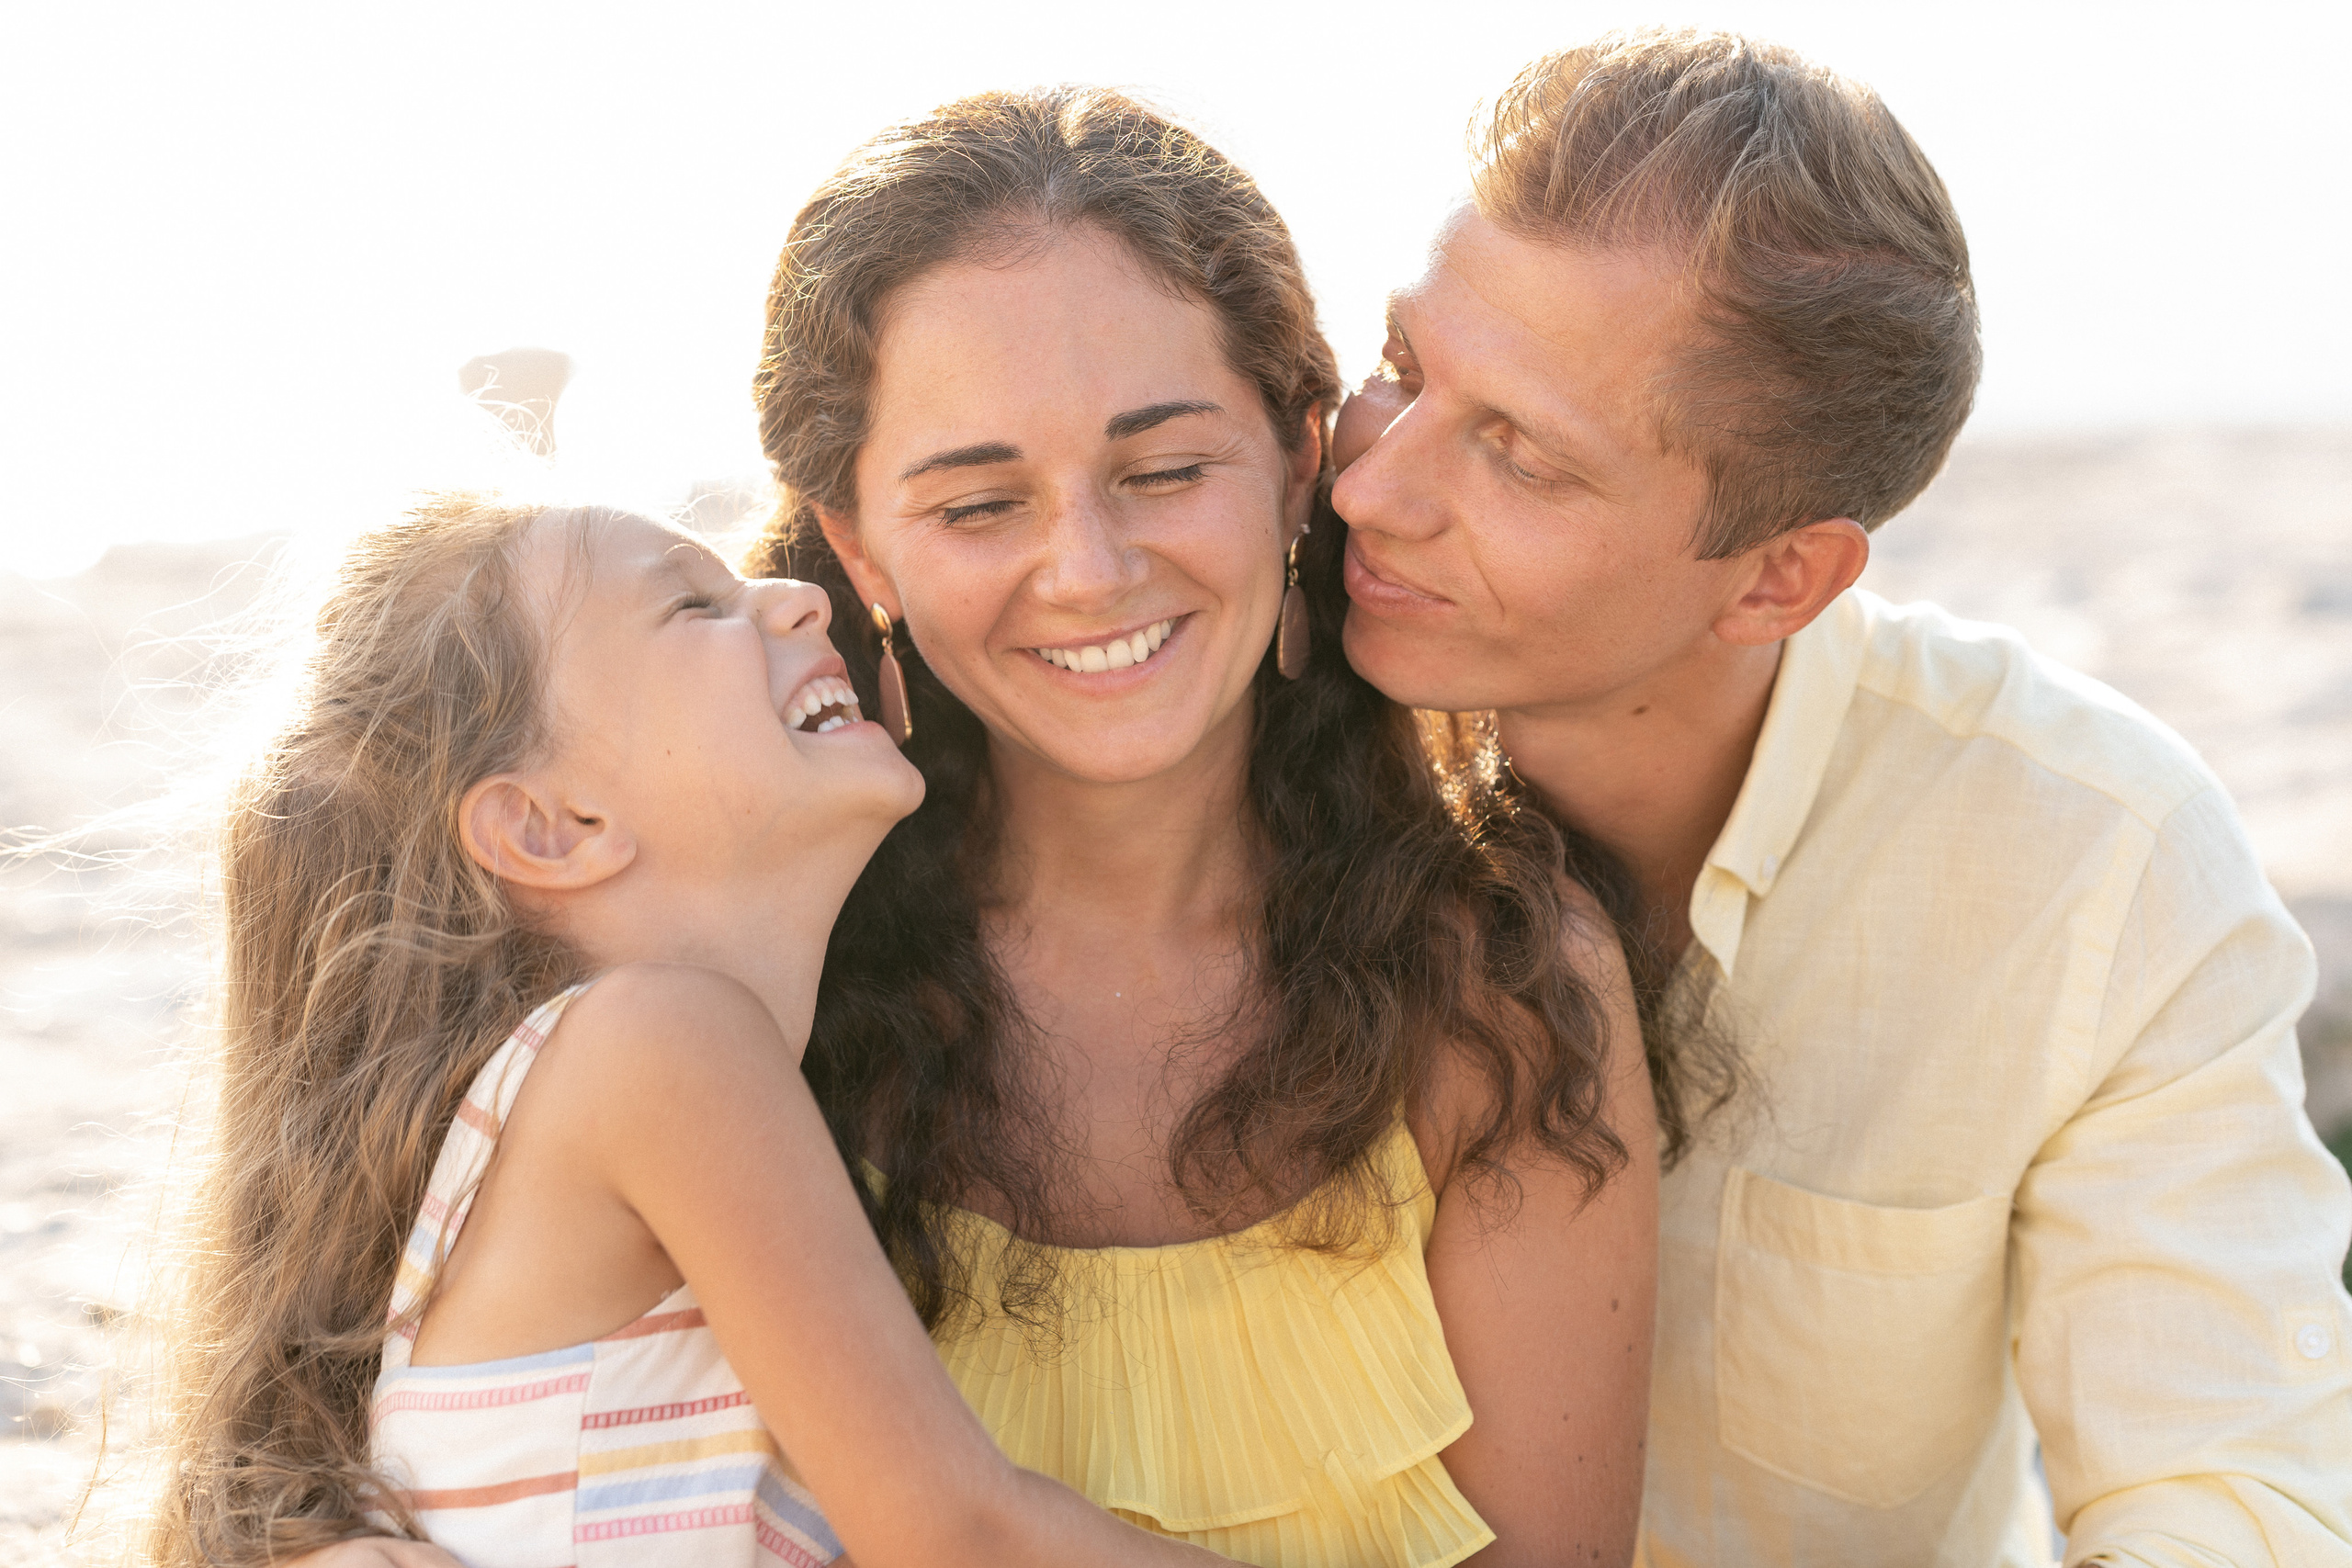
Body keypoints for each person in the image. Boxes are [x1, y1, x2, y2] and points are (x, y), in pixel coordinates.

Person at [285, 86, 1657, 1568]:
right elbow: (329, 1439)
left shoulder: (1495, 980)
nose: (1089, 567)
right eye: (980, 503)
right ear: (860, 541)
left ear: (1298, 462)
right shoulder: (709, 959)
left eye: (1167, 469)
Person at [1330, 28, 2352, 1568]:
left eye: (1520, 457)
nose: (1369, 485)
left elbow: (2234, 1496)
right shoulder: (1202, 721)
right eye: (1402, 367)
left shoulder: (2100, 861)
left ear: (1778, 578)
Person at [149, 493, 1237, 1566]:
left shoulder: (585, 1100)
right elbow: (961, 1536)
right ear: (551, 825)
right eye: (693, 607)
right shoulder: (660, 1046)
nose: (801, 598)